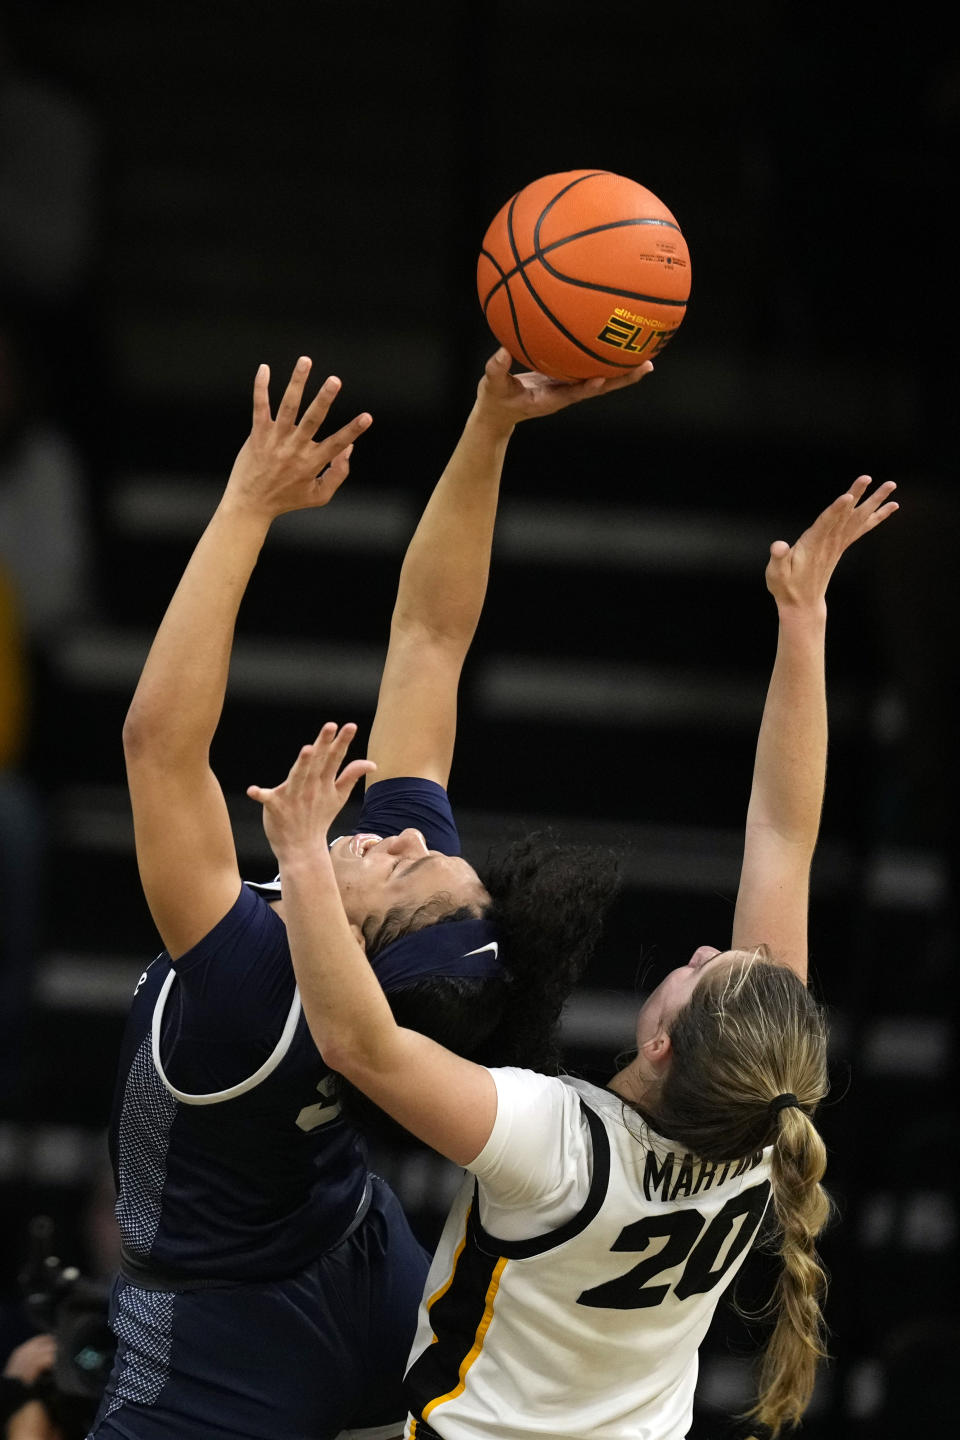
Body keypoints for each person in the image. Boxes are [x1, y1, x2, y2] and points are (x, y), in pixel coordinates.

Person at [248, 476, 899, 1440]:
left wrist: (305, 863)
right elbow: (782, 836)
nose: (709, 946)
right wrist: (803, 623)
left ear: (665, 1040)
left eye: (698, 970)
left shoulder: (568, 1147)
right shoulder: (764, 1115)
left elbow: (360, 1046)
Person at [87, 348, 649, 1440]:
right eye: (424, 848)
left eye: (403, 867)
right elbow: (430, 644)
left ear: (357, 961)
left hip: (218, 1333)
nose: (397, 836)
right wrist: (491, 429)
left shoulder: (255, 990)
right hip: (363, 1255)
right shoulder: (430, 946)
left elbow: (157, 746)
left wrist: (250, 501)